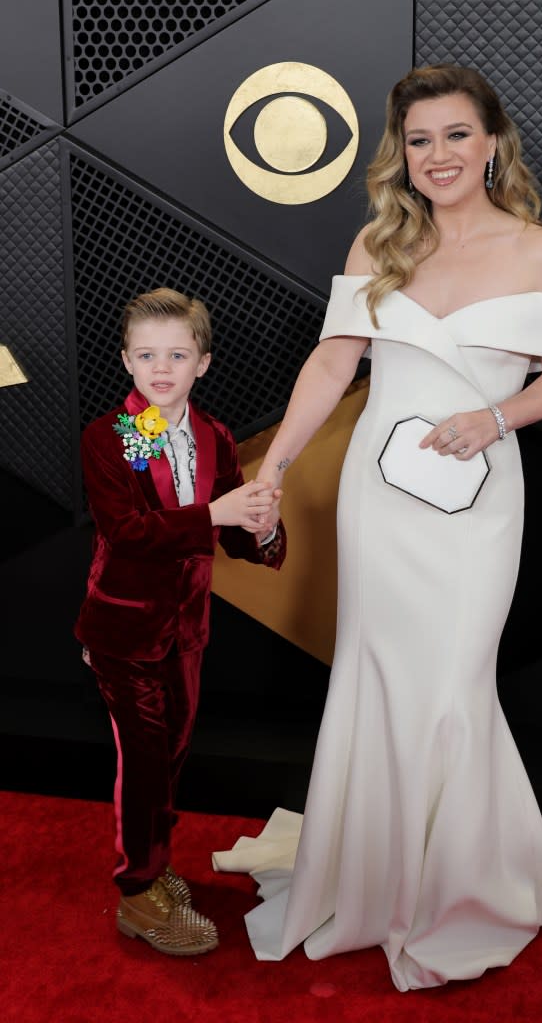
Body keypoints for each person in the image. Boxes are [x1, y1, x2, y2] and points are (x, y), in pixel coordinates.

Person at [212, 64, 542, 990]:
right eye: (419, 141)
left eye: (456, 135)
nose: (438, 156)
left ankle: (460, 887)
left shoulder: (541, 251)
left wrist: (494, 419)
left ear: (491, 142)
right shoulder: (377, 243)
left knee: (454, 681)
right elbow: (333, 361)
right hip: (376, 502)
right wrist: (278, 466)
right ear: (402, 156)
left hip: (476, 496)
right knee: (378, 675)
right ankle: (374, 879)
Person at [75, 286, 286, 956]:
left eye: (176, 354)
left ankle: (154, 862)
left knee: (169, 756)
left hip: (187, 630)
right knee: (140, 761)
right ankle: (137, 893)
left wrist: (264, 527)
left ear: (203, 362)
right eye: (146, 355)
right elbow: (130, 531)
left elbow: (231, 533)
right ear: (126, 362)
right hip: (124, 632)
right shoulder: (110, 435)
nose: (160, 368)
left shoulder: (213, 435)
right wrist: (217, 515)